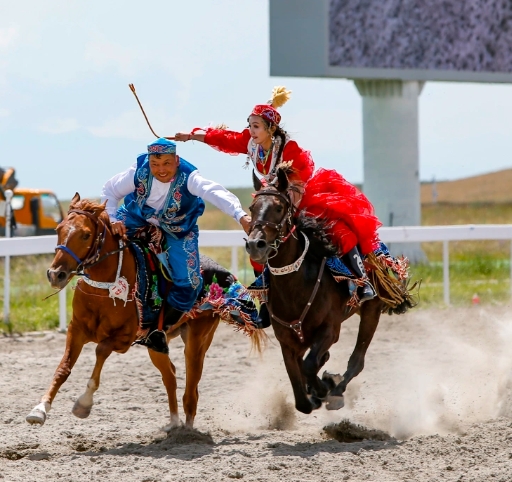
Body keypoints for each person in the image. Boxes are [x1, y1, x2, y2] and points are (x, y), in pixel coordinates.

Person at [174, 87, 382, 321]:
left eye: (256, 126)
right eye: (250, 125)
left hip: (299, 194)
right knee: (257, 241)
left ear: (270, 129)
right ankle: (265, 301)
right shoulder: (250, 142)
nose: (250, 130)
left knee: (337, 228)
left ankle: (361, 282)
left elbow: (300, 176)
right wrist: (192, 135)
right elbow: (225, 138)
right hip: (274, 196)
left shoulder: (289, 148)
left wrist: (288, 202)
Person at [101, 137, 251, 353]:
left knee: (189, 283)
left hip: (178, 229)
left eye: (166, 164)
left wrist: (241, 216)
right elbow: (110, 191)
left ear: (177, 160)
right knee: (103, 243)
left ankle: (159, 331)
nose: (160, 170)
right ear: (149, 162)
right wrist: (113, 219)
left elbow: (216, 192)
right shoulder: (137, 172)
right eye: (155, 165)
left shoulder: (190, 178)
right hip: (136, 217)